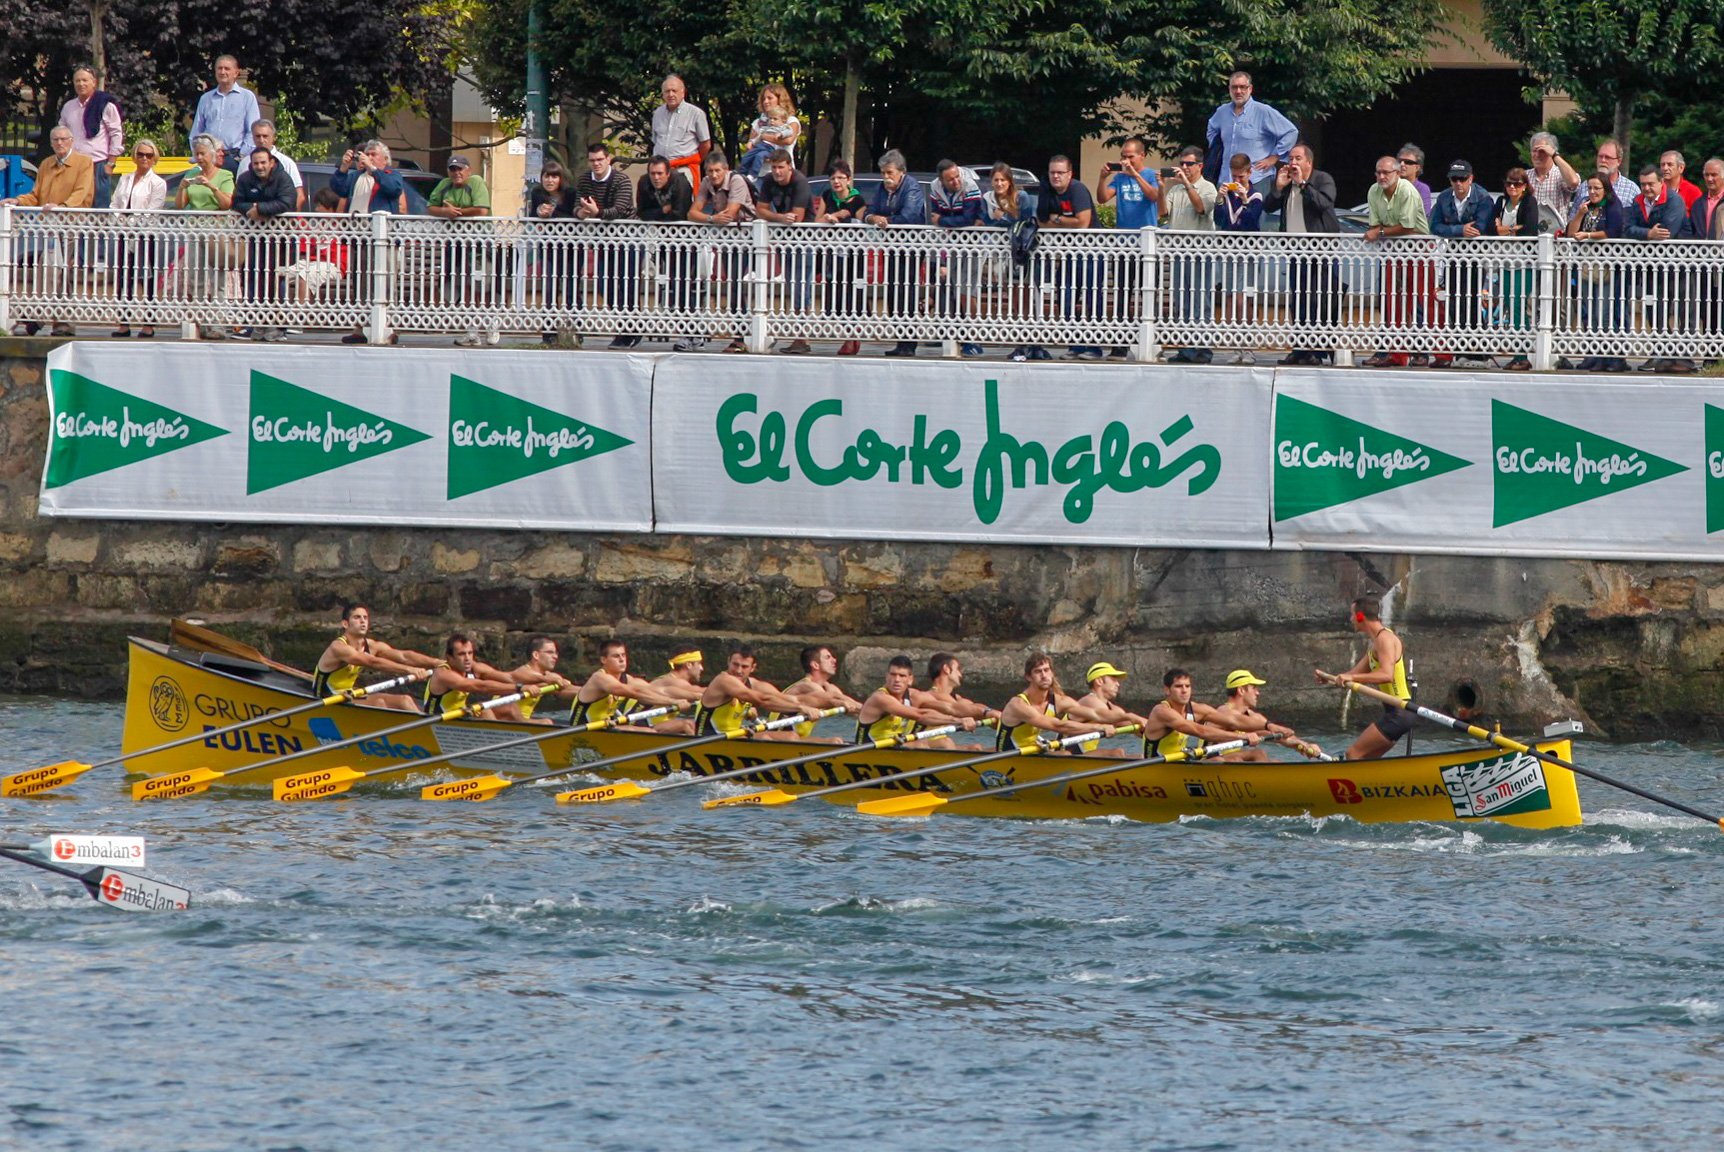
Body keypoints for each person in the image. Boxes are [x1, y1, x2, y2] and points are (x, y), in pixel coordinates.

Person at [4, 125, 95, 337]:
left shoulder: (84, 163)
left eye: (63, 139)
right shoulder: (46, 164)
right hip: (50, 228)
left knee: (64, 272)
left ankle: (59, 322)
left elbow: (81, 193)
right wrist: (17, 200)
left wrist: (61, 207)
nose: (60, 143)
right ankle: (39, 315)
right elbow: (36, 195)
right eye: (56, 140)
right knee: (47, 268)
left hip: (72, 224)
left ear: (71, 140)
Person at [1263, 142, 1339, 366]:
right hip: (1296, 252)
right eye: (1290, 158)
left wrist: (1303, 184)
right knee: (1298, 301)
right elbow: (1268, 207)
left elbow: (1324, 203)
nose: (1292, 163)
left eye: (1297, 158)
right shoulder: (1287, 182)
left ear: (1309, 162)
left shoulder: (1322, 179)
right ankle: (1299, 348)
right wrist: (1278, 186)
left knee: (1319, 301)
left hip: (1320, 251)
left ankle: (1317, 350)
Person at [1314, 595, 1415, 761]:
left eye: (1353, 614)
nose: (1351, 619)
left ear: (1360, 616)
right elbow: (1352, 676)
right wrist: (1331, 679)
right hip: (1396, 714)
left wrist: (1350, 676)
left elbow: (1386, 675)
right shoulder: (1376, 643)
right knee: (1366, 761)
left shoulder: (1385, 639)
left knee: (1353, 754)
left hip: (1400, 713)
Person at [1026, 153, 1103, 361]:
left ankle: (1094, 347)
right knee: (1065, 296)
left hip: (1092, 252)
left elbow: (1083, 222)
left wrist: (1058, 218)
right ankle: (1075, 344)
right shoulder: (1047, 189)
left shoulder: (1077, 189)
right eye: (1053, 172)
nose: (1056, 177)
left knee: (1091, 299)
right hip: (1069, 253)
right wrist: (1063, 221)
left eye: (1061, 173)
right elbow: (1042, 221)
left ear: (1070, 174)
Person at [332, 140, 407, 346]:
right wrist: (344, 168)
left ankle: (388, 326)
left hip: (383, 239)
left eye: (373, 154)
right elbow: (338, 188)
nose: (368, 157)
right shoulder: (356, 176)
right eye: (367, 154)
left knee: (385, 283)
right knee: (360, 282)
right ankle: (361, 326)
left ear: (385, 159)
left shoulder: (391, 175)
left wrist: (374, 169)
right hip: (359, 236)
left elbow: (393, 189)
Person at [678, 150, 755, 353]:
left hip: (748, 236)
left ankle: (741, 335)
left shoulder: (736, 181)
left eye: (717, 171)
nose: (713, 175)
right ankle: (741, 332)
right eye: (710, 171)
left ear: (726, 170)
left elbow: (730, 214)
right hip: (727, 239)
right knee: (732, 283)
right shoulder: (706, 182)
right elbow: (693, 212)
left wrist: (716, 217)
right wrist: (711, 219)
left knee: (736, 283)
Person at [1360, 155, 1432, 369]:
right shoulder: (1373, 191)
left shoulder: (1407, 190)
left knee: (1417, 302)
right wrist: (1379, 231)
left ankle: (1421, 352)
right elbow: (1375, 224)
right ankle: (1392, 351)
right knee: (1391, 302)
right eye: (1378, 172)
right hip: (1392, 251)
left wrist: (1380, 231)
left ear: (1397, 173)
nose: (1382, 176)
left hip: (1417, 250)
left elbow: (1407, 226)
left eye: (1386, 173)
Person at [1427, 159, 1494, 367]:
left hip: (1474, 257)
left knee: (1472, 302)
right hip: (1453, 256)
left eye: (1462, 179)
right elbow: (1434, 226)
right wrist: (1459, 230)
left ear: (1471, 178)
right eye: (1454, 179)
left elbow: (1480, 227)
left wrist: (1455, 229)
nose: (1458, 183)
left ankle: (1479, 353)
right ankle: (1461, 350)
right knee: (1455, 303)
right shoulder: (1445, 197)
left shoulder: (1482, 197)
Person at [1624, 165, 1690, 373]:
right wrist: (1647, 234)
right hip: (1651, 267)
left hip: (1677, 266)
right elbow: (1627, 229)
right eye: (1643, 184)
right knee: (1654, 308)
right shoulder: (1637, 202)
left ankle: (1680, 356)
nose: (1646, 188)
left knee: (1679, 310)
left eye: (1651, 184)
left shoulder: (1673, 200)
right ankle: (1660, 351)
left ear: (1661, 182)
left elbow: (1667, 231)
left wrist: (1645, 234)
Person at [312, 604, 439, 712]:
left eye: (365, 618)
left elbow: (404, 656)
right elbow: (372, 662)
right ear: (345, 624)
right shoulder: (338, 647)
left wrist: (437, 662)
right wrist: (409, 670)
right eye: (357, 617)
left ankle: (424, 732)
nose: (362, 621)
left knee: (405, 700)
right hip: (326, 697)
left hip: (349, 693)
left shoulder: (371, 646)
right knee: (379, 703)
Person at [574, 141, 639, 349]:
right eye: (592, 160)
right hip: (602, 241)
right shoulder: (585, 179)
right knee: (604, 283)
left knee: (627, 284)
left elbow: (618, 210)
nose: (596, 164)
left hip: (628, 239)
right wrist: (580, 213)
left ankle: (629, 330)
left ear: (608, 159)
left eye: (600, 159)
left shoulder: (622, 179)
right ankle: (626, 326)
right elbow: (578, 203)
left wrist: (596, 213)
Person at [172, 134, 236, 342]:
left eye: (202, 154)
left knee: (217, 279)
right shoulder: (192, 173)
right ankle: (201, 321)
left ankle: (216, 324)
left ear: (211, 154)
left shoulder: (225, 175)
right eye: (196, 154)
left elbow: (227, 203)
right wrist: (181, 188)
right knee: (196, 280)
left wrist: (211, 186)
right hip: (194, 230)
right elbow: (181, 205)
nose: (199, 158)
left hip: (217, 233)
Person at [865, 148, 929, 358]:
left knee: (906, 292)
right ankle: (900, 339)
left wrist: (886, 220)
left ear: (901, 171)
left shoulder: (912, 187)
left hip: (911, 247)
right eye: (883, 173)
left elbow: (909, 216)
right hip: (892, 246)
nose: (886, 178)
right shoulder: (882, 188)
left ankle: (909, 342)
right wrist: (873, 218)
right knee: (893, 292)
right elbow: (871, 209)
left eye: (890, 173)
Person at [429, 155, 496, 348]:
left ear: (468, 170)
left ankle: (492, 323)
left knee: (483, 284)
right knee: (464, 285)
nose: (456, 173)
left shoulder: (476, 182)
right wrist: (443, 212)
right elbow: (430, 206)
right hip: (458, 242)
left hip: (480, 242)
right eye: (453, 169)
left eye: (460, 169)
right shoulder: (444, 184)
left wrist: (456, 212)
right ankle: (472, 330)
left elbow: (482, 210)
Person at [231, 146, 297, 342]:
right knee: (254, 281)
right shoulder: (245, 179)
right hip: (254, 239)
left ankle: (277, 325)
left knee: (276, 283)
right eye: (256, 163)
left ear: (271, 163)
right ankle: (257, 323)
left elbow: (287, 202)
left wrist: (260, 209)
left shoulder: (283, 178)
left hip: (281, 240)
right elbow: (236, 202)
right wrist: (251, 209)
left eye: (263, 162)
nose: (259, 167)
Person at [756, 148, 815, 354]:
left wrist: (777, 216)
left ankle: (802, 337)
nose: (777, 172)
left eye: (781, 167)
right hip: (785, 242)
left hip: (805, 241)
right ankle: (798, 336)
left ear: (790, 167)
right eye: (774, 168)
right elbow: (760, 210)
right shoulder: (768, 182)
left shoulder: (800, 182)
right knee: (792, 284)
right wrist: (780, 218)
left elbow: (797, 217)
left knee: (802, 288)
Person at [1566, 173, 1627, 372]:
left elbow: (1613, 230)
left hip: (1606, 266)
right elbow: (1571, 233)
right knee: (1588, 312)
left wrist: (1590, 235)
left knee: (1606, 312)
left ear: (1605, 189)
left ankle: (1612, 356)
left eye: (1597, 188)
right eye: (1590, 188)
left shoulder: (1612, 205)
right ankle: (1594, 354)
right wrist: (1580, 215)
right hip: (1586, 265)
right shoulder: (1586, 205)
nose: (1592, 192)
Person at [1164, 145, 1219, 364]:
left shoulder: (1208, 188)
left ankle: (1202, 349)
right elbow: (1161, 212)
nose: (1184, 168)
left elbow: (1201, 209)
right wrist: (1161, 187)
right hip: (1179, 251)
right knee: (1182, 301)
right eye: (1182, 164)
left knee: (1200, 300)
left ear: (1200, 166)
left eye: (1189, 164)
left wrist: (1187, 184)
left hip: (1200, 252)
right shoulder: (1175, 190)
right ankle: (1186, 347)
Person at [693, 646, 822, 738]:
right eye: (735, 664)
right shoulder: (723, 680)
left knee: (789, 736)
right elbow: (762, 700)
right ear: (728, 662)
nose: (738, 670)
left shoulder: (755, 684)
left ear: (753, 668)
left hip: (732, 738)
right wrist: (800, 708)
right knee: (785, 737)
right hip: (707, 739)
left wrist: (808, 707)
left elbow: (784, 698)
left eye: (744, 667)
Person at [996, 653, 1114, 753]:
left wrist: (1125, 719)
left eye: (1046, 670)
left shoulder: (1059, 700)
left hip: (1031, 751)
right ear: (1028, 677)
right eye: (1038, 672)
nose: (1044, 675)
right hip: (1008, 756)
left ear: (1052, 673)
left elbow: (1095, 714)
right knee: (1065, 755)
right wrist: (1099, 727)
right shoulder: (1018, 705)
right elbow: (1058, 726)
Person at [634, 156, 695, 346]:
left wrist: (662, 213)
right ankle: (687, 330)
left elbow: (680, 213)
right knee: (672, 286)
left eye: (660, 173)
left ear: (668, 173)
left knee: (684, 284)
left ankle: (692, 331)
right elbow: (643, 212)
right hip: (662, 240)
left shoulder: (680, 182)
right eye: (652, 173)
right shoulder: (644, 182)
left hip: (685, 240)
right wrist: (663, 211)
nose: (656, 177)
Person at [109, 138, 167, 339]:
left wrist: (132, 224)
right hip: (123, 232)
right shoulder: (125, 178)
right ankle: (123, 322)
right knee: (122, 277)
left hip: (145, 234)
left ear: (154, 158)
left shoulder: (158, 183)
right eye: (141, 154)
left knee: (146, 279)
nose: (144, 158)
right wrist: (119, 222)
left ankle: (148, 324)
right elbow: (115, 204)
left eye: (148, 155)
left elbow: (153, 210)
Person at [1140, 667, 1261, 762]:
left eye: (1187, 686)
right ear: (1167, 690)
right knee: (1220, 760)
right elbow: (1199, 731)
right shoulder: (1161, 711)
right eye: (1178, 686)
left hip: (1180, 763)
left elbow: (1232, 721)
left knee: (1258, 753)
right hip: (1157, 767)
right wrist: (1241, 737)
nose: (1184, 690)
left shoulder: (1197, 708)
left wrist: (1269, 726)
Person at [928, 159, 985, 357]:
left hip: (973, 244)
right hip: (952, 245)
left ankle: (973, 337)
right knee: (955, 288)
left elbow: (969, 219)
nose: (955, 181)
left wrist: (944, 221)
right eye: (950, 179)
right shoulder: (935, 187)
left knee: (967, 290)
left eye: (956, 176)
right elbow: (934, 213)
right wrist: (947, 221)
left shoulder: (969, 184)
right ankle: (960, 333)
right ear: (941, 180)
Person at [856, 656, 979, 746]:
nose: (897, 680)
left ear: (910, 680)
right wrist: (957, 721)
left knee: (947, 743)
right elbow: (919, 715)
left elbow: (943, 710)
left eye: (902, 676)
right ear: (886, 676)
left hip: (895, 746)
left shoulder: (914, 695)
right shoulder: (880, 698)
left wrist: (976, 715)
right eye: (893, 675)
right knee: (921, 745)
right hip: (868, 750)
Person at [1205, 71, 1296, 192]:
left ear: (1250, 88)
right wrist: (1217, 147)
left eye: (1242, 87)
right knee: (1224, 211)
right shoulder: (1222, 112)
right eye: (1234, 87)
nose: (1238, 91)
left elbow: (1291, 132)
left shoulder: (1263, 111)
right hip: (1227, 179)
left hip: (1256, 180)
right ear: (1229, 89)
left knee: (1256, 211)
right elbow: (1211, 127)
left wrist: (1274, 157)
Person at [1213, 152, 1265, 364]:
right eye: (1234, 177)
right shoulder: (1227, 194)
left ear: (1249, 172)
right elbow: (1219, 220)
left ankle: (1248, 346)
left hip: (1249, 253)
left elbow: (1252, 224)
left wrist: (1244, 200)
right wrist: (1219, 198)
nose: (1237, 181)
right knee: (1230, 298)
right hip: (1229, 252)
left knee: (1246, 298)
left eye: (1241, 177)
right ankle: (1236, 345)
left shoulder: (1256, 196)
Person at [815, 159, 868, 356]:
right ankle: (849, 335)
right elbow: (818, 220)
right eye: (833, 178)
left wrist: (843, 217)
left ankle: (852, 337)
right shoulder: (827, 195)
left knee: (851, 297)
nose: (836, 182)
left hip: (853, 255)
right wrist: (834, 215)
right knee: (834, 299)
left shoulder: (858, 200)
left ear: (848, 179)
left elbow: (861, 225)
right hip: (833, 254)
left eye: (840, 178)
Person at [1490, 165, 1539, 370]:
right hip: (1505, 261)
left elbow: (1529, 228)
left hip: (1524, 262)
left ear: (1525, 186)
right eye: (1509, 183)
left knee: (1519, 304)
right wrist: (1509, 230)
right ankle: (1517, 353)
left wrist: (1506, 229)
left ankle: (1523, 354)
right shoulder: (1501, 202)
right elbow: (1491, 228)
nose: (1512, 187)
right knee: (1510, 305)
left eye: (1517, 184)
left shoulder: (1529, 202)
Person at [1205, 670, 1310, 763]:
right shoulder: (1223, 712)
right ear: (1241, 690)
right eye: (1254, 688)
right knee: (1257, 754)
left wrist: (1302, 744)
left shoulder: (1254, 717)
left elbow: (1273, 733)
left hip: (1232, 763)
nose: (1258, 693)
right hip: (1209, 761)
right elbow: (1235, 721)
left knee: (1275, 763)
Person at [571, 640, 682, 726]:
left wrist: (688, 697)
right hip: (580, 730)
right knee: (647, 732)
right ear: (603, 660)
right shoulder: (599, 678)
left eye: (623, 655)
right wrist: (672, 702)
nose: (622, 659)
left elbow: (653, 690)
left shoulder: (627, 679)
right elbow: (635, 693)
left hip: (605, 727)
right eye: (616, 656)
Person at [422, 634, 528, 721]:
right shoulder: (443, 673)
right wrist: (518, 688)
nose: (467, 658)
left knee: (510, 708)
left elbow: (510, 677)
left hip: (460, 716)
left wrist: (542, 680)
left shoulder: (475, 668)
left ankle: (526, 736)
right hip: (437, 721)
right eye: (461, 654)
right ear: (449, 658)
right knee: (484, 710)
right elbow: (481, 687)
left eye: (470, 653)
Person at [530, 160, 579, 346]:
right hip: (549, 246)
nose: (550, 180)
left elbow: (574, 216)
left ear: (561, 178)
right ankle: (548, 332)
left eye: (554, 176)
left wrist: (553, 213)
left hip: (571, 247)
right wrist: (539, 211)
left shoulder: (570, 193)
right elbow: (533, 217)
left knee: (571, 290)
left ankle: (574, 330)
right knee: (549, 289)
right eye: (547, 176)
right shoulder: (537, 193)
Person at [60, 65, 122, 208]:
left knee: (99, 207)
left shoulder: (105, 105)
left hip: (98, 164)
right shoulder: (68, 107)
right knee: (74, 205)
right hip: (73, 164)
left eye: (85, 80)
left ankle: (101, 231)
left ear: (93, 82)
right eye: (77, 81)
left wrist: (110, 164)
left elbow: (116, 134)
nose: (81, 84)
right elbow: (61, 132)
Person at [277, 186, 348, 311]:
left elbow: (342, 204)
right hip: (312, 263)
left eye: (320, 205)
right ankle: (277, 311)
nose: (316, 209)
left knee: (305, 275)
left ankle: (298, 317)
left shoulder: (341, 224)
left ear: (329, 206)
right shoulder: (317, 226)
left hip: (333, 265)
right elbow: (301, 225)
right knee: (278, 273)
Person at [189, 55, 261, 174]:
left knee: (229, 193)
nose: (223, 72)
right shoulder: (206, 99)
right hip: (209, 158)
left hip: (233, 158)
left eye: (227, 69)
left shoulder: (247, 97)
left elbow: (253, 131)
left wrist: (241, 156)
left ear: (236, 73)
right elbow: (197, 131)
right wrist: (197, 154)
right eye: (219, 68)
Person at [777, 645, 864, 740]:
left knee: (837, 741)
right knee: (835, 741)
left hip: (797, 738)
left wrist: (872, 714)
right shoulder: (805, 686)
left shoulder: (829, 688)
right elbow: (832, 699)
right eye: (828, 657)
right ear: (815, 665)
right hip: (778, 735)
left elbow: (853, 709)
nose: (834, 660)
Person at [1070, 662, 1150, 756]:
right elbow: (1107, 716)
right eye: (1113, 679)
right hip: (1066, 752)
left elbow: (1131, 725)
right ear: (1099, 681)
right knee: (1117, 753)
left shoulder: (1113, 708)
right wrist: (1131, 716)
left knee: (1140, 757)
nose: (1118, 684)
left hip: (1084, 754)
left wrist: (1153, 729)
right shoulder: (1088, 701)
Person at [652, 74, 711, 189]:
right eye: (667, 91)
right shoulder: (657, 113)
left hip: (684, 169)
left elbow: (706, 145)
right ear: (662, 94)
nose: (671, 94)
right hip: (659, 171)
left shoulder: (696, 114)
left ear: (682, 92)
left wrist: (691, 160)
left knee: (682, 204)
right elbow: (656, 141)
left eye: (674, 91)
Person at [508, 636, 578, 724]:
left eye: (556, 653)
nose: (555, 657)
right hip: (505, 720)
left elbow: (565, 691)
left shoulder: (549, 676)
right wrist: (549, 680)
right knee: (547, 722)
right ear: (536, 655)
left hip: (522, 721)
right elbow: (522, 676)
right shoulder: (522, 672)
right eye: (550, 652)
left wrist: (591, 691)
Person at [738, 84, 800, 178]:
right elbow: (751, 144)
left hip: (784, 174)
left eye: (770, 98)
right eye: (763, 99)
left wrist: (763, 136)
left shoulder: (791, 120)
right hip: (761, 173)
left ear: (780, 100)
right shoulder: (758, 122)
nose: (765, 102)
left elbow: (788, 140)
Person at [643, 649, 707, 735]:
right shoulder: (672, 681)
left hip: (653, 724)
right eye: (699, 663)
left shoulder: (668, 678)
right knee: (688, 725)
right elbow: (704, 692)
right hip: (642, 724)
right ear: (689, 665)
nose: (701, 668)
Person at [1526, 131, 1579, 227]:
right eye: (1534, 151)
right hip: (1530, 236)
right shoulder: (1526, 176)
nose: (1537, 155)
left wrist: (1555, 155)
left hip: (1555, 236)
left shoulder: (1560, 175)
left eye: (1542, 151)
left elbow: (1574, 182)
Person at [252, 119, 305, 211]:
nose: (261, 140)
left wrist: (290, 219)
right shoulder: (245, 162)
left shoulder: (287, 162)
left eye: (265, 136)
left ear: (273, 137)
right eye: (258, 136)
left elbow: (299, 196)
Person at [1395, 144, 1433, 214]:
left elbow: (1424, 217)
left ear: (1417, 167)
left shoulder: (1422, 189)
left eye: (1408, 162)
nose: (1402, 164)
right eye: (1400, 161)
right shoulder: (1390, 186)